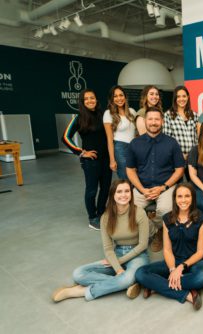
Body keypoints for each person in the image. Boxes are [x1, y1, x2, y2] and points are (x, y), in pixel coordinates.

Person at [51, 179, 149, 302]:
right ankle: (127, 283)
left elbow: (143, 245)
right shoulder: (106, 218)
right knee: (78, 273)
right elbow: (108, 248)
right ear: (113, 195)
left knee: (125, 278)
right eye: (119, 191)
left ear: (131, 194)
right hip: (117, 253)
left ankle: (81, 291)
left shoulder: (139, 213)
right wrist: (118, 267)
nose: (123, 195)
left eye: (127, 191)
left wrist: (119, 262)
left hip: (138, 255)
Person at [135, 183, 203, 310]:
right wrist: (172, 270)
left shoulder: (201, 219)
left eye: (187, 196)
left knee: (202, 277)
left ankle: (157, 287)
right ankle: (187, 294)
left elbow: (200, 252)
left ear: (193, 198)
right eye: (180, 196)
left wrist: (181, 268)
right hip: (173, 261)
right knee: (141, 273)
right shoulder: (167, 219)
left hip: (195, 262)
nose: (183, 200)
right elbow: (168, 250)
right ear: (175, 199)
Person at [126, 106, 185, 251]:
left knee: (166, 210)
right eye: (150, 119)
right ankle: (154, 230)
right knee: (128, 211)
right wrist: (141, 189)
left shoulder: (172, 143)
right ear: (145, 121)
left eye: (157, 119)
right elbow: (130, 170)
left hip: (165, 186)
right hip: (142, 187)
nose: (153, 122)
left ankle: (159, 231)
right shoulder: (135, 143)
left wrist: (163, 187)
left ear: (162, 122)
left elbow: (179, 170)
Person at [62, 89, 112, 230]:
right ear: (83, 102)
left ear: (96, 99)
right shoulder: (79, 118)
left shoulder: (104, 115)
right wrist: (81, 152)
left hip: (106, 159)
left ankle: (101, 213)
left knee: (105, 188)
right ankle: (92, 217)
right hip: (91, 162)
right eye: (86, 99)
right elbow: (65, 137)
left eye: (92, 97)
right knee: (91, 190)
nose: (90, 100)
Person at [103, 85, 137, 180]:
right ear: (112, 99)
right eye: (115, 96)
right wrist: (112, 160)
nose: (119, 98)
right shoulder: (108, 114)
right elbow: (109, 139)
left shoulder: (132, 112)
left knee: (136, 176)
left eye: (121, 95)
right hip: (120, 148)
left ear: (125, 97)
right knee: (126, 178)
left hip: (134, 147)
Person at [164, 85, 198, 161]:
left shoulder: (194, 115)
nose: (181, 99)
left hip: (193, 159)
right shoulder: (168, 115)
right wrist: (179, 154)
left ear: (188, 97)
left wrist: (194, 154)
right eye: (178, 97)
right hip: (176, 158)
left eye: (184, 96)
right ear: (175, 99)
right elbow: (167, 139)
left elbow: (197, 138)